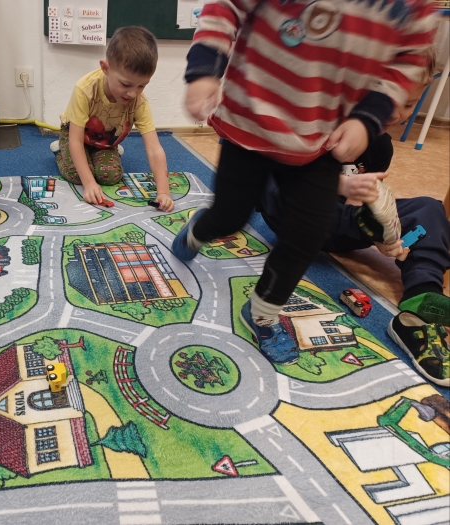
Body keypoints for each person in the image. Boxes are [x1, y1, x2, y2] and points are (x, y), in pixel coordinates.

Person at [172, 0, 438, 366]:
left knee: (306, 236)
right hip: (251, 122)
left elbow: (410, 58)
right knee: (230, 216)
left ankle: (262, 312)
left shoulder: (414, 7)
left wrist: (367, 117)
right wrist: (205, 70)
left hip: (320, 140)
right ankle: (199, 230)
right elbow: (227, 5)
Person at [258, 59, 450, 386]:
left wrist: (378, 231)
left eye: (409, 104)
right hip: (294, 220)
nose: (400, 114)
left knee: (429, 210)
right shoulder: (313, 128)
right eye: (390, 102)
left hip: (341, 221)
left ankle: (421, 298)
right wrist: (370, 224)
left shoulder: (380, 144)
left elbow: (356, 206)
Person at [52, 26, 174, 212]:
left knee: (110, 176)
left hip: (105, 142)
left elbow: (154, 148)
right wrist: (89, 183)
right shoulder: (85, 89)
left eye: (142, 86)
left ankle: (105, 153)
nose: (133, 93)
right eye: (126, 84)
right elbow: (76, 141)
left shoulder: (139, 102)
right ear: (105, 68)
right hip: (74, 137)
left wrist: (163, 192)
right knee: (77, 175)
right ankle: (60, 150)